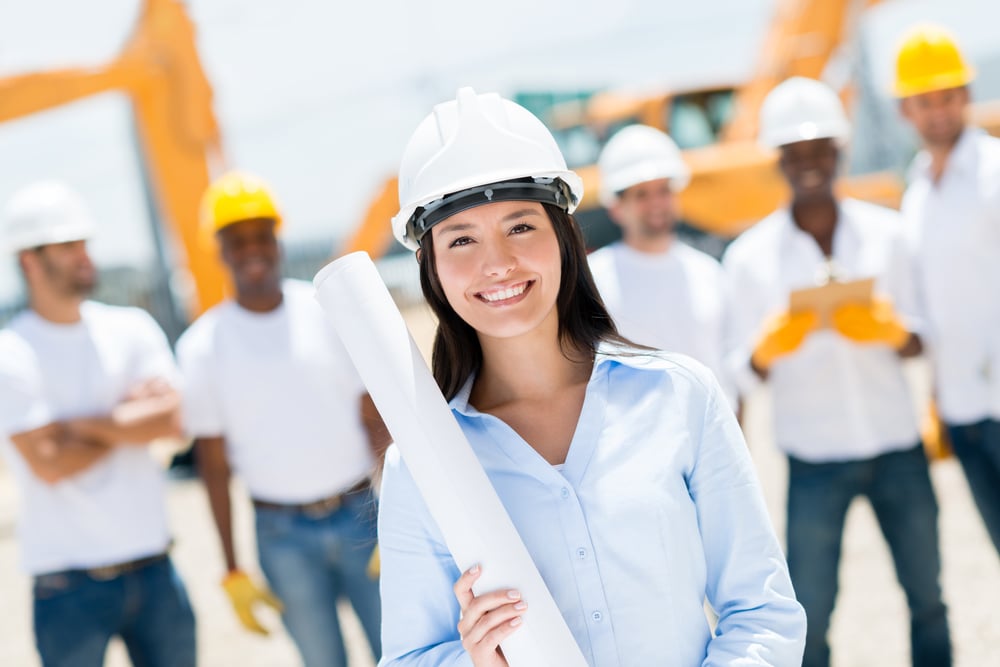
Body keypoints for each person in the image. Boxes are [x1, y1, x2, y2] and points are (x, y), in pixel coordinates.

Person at [376, 87, 805, 666]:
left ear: (565, 237)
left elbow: (762, 612)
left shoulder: (680, 397)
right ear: (429, 266)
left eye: (521, 226)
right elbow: (408, 658)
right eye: (461, 240)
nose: (497, 262)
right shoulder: (422, 467)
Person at [722, 77, 952, 667]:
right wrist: (766, 349)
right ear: (778, 161)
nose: (809, 165)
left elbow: (926, 338)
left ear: (838, 152)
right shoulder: (749, 260)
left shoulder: (888, 235)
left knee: (928, 597)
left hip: (898, 447)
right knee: (811, 612)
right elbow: (738, 376)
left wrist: (894, 330)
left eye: (819, 151)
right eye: (795, 155)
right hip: (814, 458)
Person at [175, 171, 386, 667]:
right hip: (280, 533)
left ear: (277, 239)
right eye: (237, 240)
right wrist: (231, 567)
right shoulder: (202, 347)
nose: (252, 250)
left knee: (401, 652)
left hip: (362, 514)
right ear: (219, 250)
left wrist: (397, 509)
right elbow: (212, 462)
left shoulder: (325, 311)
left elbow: (373, 417)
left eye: (261, 236)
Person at [0, 181, 196, 667]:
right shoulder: (11, 352)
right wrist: (129, 420)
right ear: (29, 260)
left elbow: (173, 420)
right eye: (67, 246)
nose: (84, 256)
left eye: (83, 243)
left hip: (156, 571)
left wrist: (77, 425)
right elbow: (50, 463)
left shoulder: (129, 327)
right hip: (67, 589)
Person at [894, 24, 1000, 557]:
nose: (938, 110)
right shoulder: (916, 197)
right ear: (904, 111)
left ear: (966, 97)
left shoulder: (994, 175)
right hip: (962, 411)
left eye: (948, 96)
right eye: (924, 100)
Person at [588, 124, 735, 407]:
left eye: (663, 190)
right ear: (616, 207)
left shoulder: (709, 273)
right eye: (641, 194)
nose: (656, 203)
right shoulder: (592, 279)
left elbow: (730, 371)